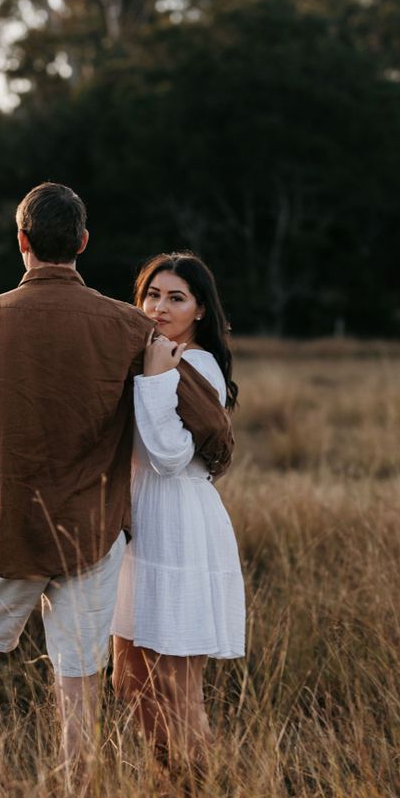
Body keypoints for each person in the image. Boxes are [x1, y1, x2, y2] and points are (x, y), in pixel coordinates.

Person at [0, 185, 233, 784]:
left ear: (21, 241)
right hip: (94, 538)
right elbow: (211, 421)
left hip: (9, 537)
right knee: (78, 685)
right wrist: (218, 456)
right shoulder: (129, 325)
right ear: (82, 242)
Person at [111, 252, 245, 770]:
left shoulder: (195, 366)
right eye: (151, 295)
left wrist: (155, 377)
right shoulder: (151, 352)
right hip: (139, 522)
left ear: (200, 310)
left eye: (176, 298)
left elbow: (168, 457)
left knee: (175, 686)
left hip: (179, 522)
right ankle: (170, 791)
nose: (159, 307)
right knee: (129, 677)